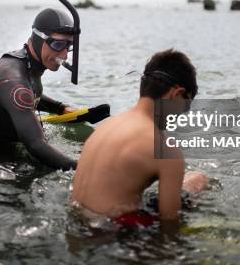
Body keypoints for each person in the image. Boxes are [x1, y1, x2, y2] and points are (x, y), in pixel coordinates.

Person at [72, 49, 209, 227]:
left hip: (76, 226)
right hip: (114, 235)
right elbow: (170, 226)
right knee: (198, 180)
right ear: (176, 95)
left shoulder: (104, 128)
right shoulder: (164, 149)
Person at [0, 8, 79, 170]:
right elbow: (37, 145)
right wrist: (85, 169)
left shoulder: (26, 63)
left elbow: (29, 94)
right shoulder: (12, 79)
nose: (64, 55)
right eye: (58, 44)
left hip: (17, 152)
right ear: (37, 39)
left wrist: (61, 109)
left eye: (69, 45)